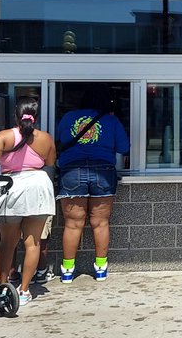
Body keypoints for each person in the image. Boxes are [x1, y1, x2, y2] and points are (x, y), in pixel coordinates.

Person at [0, 98, 56, 308]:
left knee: (8, 242)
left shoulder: (4, 136)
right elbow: (50, 165)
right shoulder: (46, 139)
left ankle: (4, 286)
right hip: (39, 186)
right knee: (33, 242)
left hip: (12, 186)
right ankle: (24, 290)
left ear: (16, 115)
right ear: (36, 116)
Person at [56, 85, 130, 283]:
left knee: (72, 224)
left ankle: (68, 271)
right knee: (100, 222)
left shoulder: (68, 118)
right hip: (103, 172)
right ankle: (100, 269)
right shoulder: (111, 120)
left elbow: (59, 140)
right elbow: (124, 147)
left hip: (72, 171)